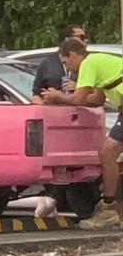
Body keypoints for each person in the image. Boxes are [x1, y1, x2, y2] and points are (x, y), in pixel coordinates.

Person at [42, 38, 123, 230]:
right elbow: (96, 100)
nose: (68, 68)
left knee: (107, 152)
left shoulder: (88, 63)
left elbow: (78, 97)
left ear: (73, 55)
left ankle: (108, 209)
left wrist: (57, 97)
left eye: (65, 62)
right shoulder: (101, 63)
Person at [32, 24, 88, 217]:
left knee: (76, 162)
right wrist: (42, 110)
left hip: (80, 116)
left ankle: (57, 197)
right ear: (67, 41)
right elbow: (36, 92)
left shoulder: (86, 62)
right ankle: (51, 196)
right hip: (53, 118)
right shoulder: (47, 64)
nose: (85, 41)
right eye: (81, 37)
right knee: (55, 161)